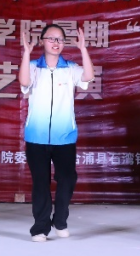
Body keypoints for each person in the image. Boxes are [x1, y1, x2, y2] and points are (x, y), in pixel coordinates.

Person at [18, 23, 94, 242]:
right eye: (51, 38)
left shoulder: (70, 68)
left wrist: (83, 49)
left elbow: (88, 77)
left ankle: (60, 220)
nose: (56, 43)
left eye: (60, 39)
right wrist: (26, 53)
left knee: (67, 179)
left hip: (65, 136)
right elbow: (24, 82)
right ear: (42, 41)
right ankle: (40, 228)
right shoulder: (33, 66)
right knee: (40, 182)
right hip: (36, 137)